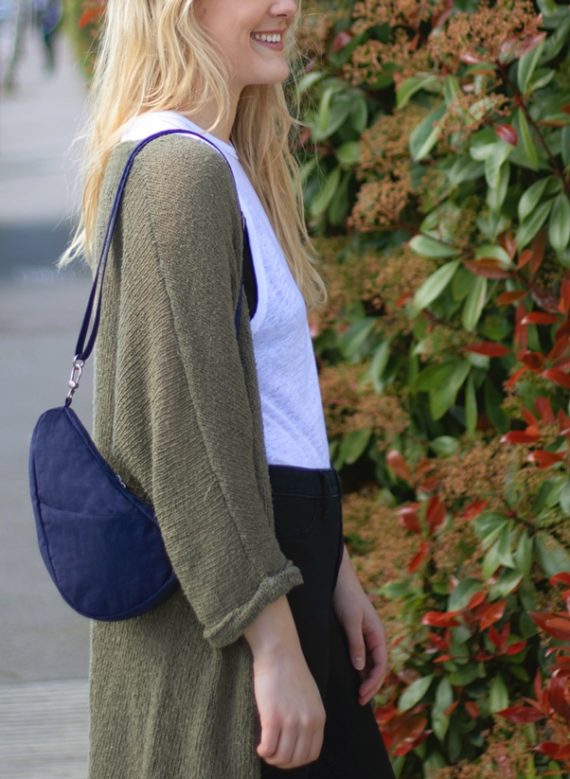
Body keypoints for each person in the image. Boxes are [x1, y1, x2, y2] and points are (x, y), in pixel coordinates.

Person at [61, 1, 396, 776]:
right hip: (237, 613)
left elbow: (271, 409)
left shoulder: (219, 160)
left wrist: (337, 572)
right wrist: (273, 644)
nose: (286, 6)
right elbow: (191, 443)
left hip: (280, 571)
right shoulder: (178, 173)